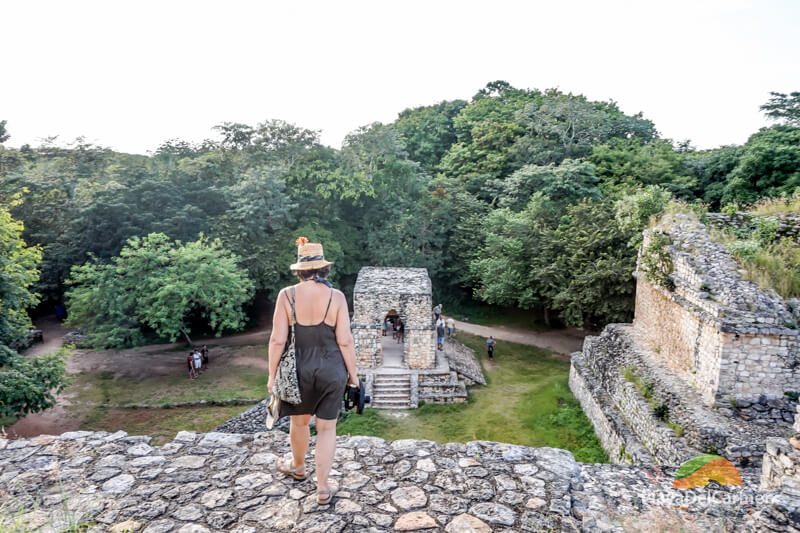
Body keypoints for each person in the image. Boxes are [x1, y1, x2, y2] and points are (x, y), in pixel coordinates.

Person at [268, 237, 359, 506]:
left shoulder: (287, 295)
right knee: (327, 429)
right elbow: (345, 340)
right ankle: (321, 488)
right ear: (324, 268)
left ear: (300, 269)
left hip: (298, 369)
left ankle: (297, 468)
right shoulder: (337, 297)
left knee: (299, 422)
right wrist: (353, 377)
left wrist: (272, 375)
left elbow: (277, 339)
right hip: (332, 369)